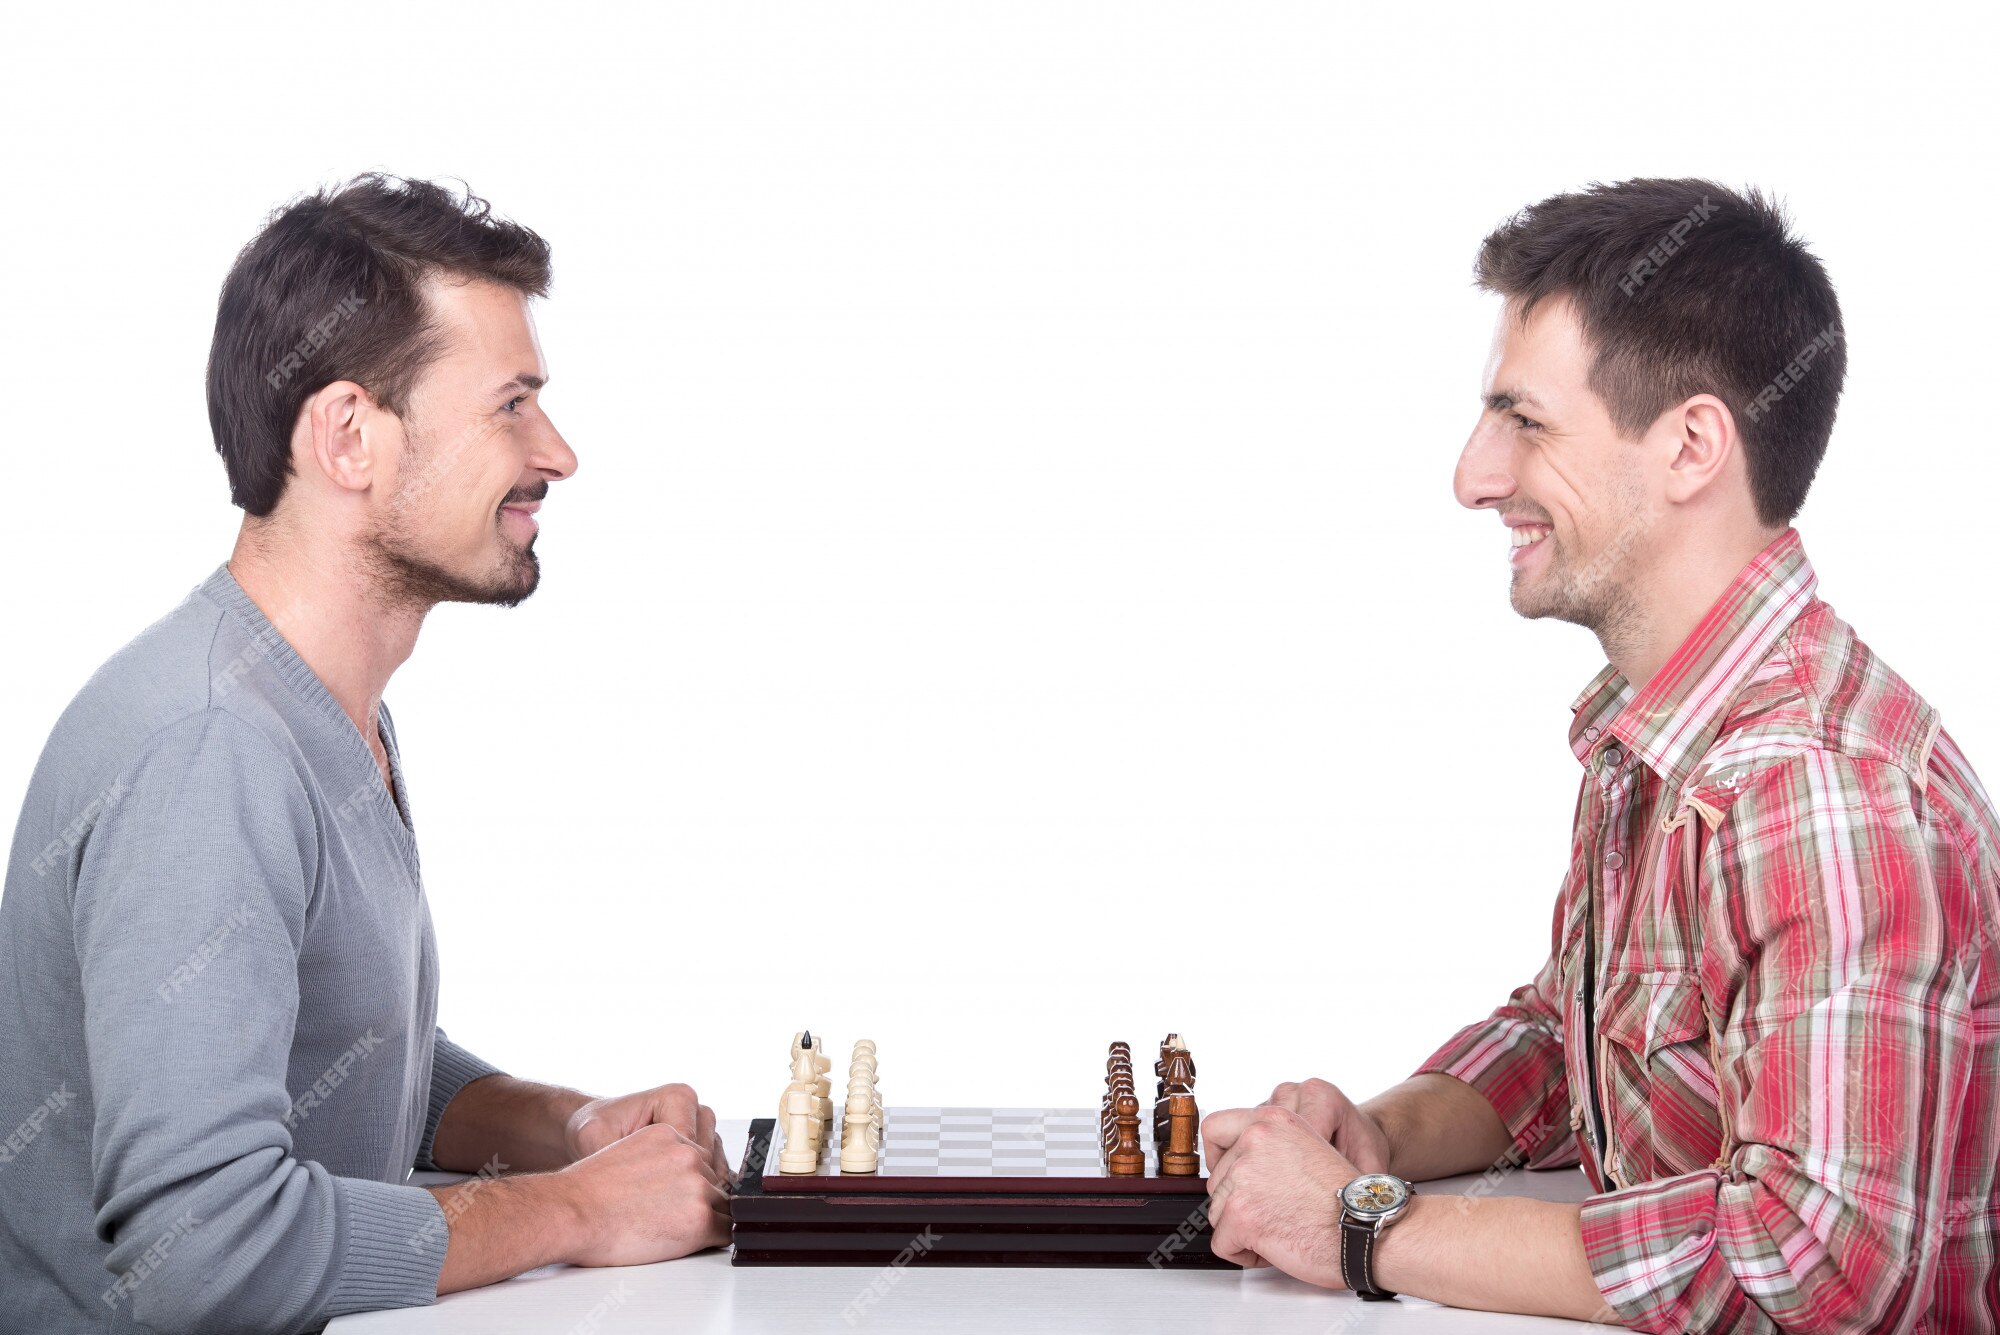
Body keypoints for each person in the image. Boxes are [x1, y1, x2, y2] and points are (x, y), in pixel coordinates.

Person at [1200, 179, 2000, 1332]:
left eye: (1522, 421)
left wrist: (1366, 1223)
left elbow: (1819, 1267)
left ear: (1688, 446)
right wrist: (1382, 1135)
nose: (1471, 476)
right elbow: (1574, 1040)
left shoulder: (1815, 786)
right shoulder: (1661, 738)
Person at [0, 175, 730, 1333]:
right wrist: (578, 1211)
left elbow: (330, 1042)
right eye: (511, 405)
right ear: (348, 435)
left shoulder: (318, 711)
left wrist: (567, 1127)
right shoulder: (212, 750)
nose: (559, 452)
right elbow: (203, 1251)